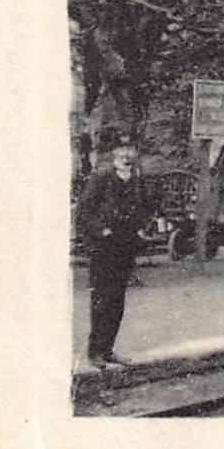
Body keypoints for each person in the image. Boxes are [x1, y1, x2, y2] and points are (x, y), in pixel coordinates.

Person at [76, 140, 152, 369]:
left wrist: (140, 227)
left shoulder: (136, 179)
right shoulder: (101, 178)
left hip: (125, 246)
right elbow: (84, 212)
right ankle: (95, 352)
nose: (126, 158)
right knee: (102, 298)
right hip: (104, 247)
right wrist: (101, 229)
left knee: (117, 299)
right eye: (121, 154)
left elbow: (143, 207)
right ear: (114, 157)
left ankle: (108, 349)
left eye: (130, 154)